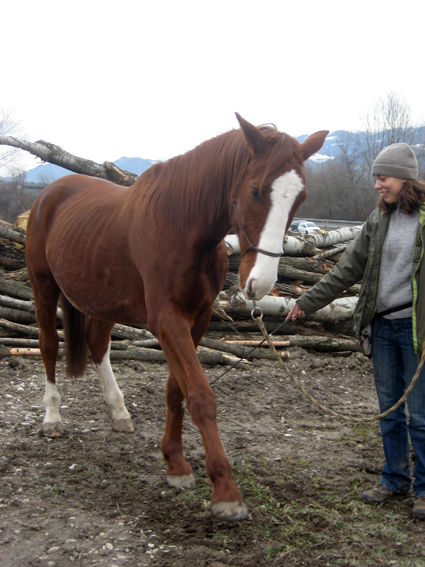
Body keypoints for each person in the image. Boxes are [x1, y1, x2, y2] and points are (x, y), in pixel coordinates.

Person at [286, 142, 425, 520]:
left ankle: (424, 490)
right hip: (381, 330)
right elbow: (347, 268)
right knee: (388, 411)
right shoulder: (378, 220)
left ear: (404, 178)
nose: (377, 185)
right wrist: (306, 302)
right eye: (376, 178)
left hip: (417, 332)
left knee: (421, 415)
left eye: (382, 178)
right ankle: (393, 479)